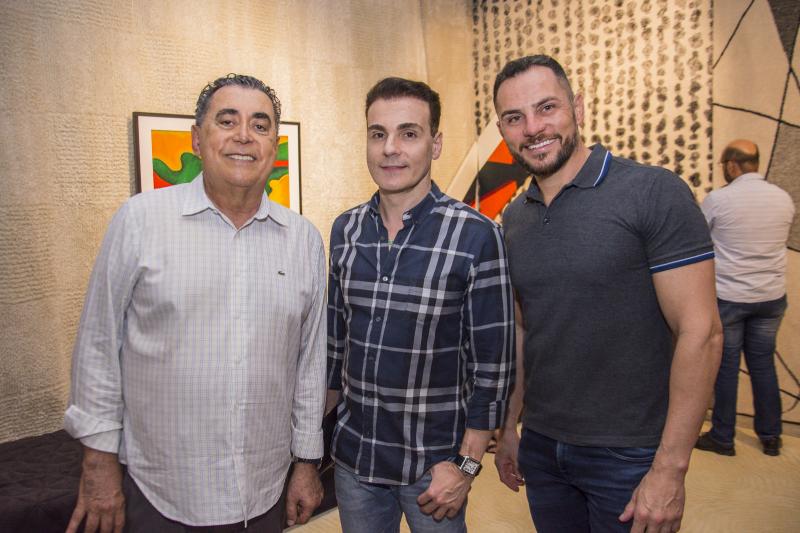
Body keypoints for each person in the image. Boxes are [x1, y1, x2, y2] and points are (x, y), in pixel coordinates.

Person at [64, 74, 327, 533]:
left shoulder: (302, 239)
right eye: (227, 121)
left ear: (274, 145)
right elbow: (98, 348)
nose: (244, 135)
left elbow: (308, 364)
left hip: (263, 492)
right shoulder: (140, 221)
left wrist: (306, 462)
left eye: (260, 125)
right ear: (197, 139)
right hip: (160, 493)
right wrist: (97, 465)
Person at [491, 55, 723, 533]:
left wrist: (670, 467)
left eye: (547, 108)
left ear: (577, 107)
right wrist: (510, 426)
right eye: (515, 118)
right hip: (543, 444)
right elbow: (522, 330)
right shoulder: (514, 219)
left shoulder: (652, 192)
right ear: (503, 130)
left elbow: (701, 332)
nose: (532, 128)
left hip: (630, 451)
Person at [326, 77, 514, 533]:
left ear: (435, 144)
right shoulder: (345, 230)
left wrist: (466, 468)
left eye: (408, 133)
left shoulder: (476, 235)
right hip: (356, 462)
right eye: (378, 134)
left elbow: (493, 369)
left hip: (435, 469)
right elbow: (334, 351)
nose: (390, 148)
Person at [694, 139, 795, 457]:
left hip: (731, 297)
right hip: (771, 297)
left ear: (732, 165)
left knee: (726, 368)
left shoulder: (719, 199)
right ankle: (771, 437)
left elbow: (697, 240)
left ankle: (722, 437)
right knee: (763, 365)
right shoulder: (783, 198)